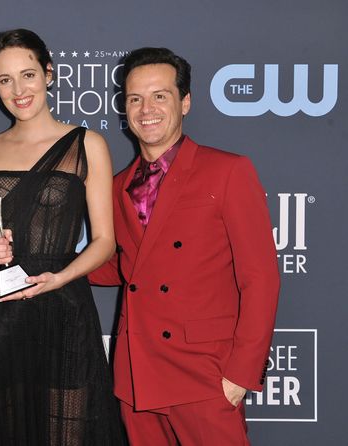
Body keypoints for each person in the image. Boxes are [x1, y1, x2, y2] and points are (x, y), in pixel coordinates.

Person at [89, 47, 280, 445]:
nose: (147, 109)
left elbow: (260, 278)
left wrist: (240, 376)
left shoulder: (227, 170)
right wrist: (46, 263)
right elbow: (120, 266)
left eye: (160, 96)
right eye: (135, 99)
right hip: (137, 374)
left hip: (204, 374)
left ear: (185, 101)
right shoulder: (118, 186)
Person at [0, 29, 125, 445]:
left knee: (67, 430)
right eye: (5, 80)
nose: (18, 90)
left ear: (49, 73)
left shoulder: (86, 144)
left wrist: (61, 278)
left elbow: (104, 241)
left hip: (61, 306)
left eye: (27, 75)